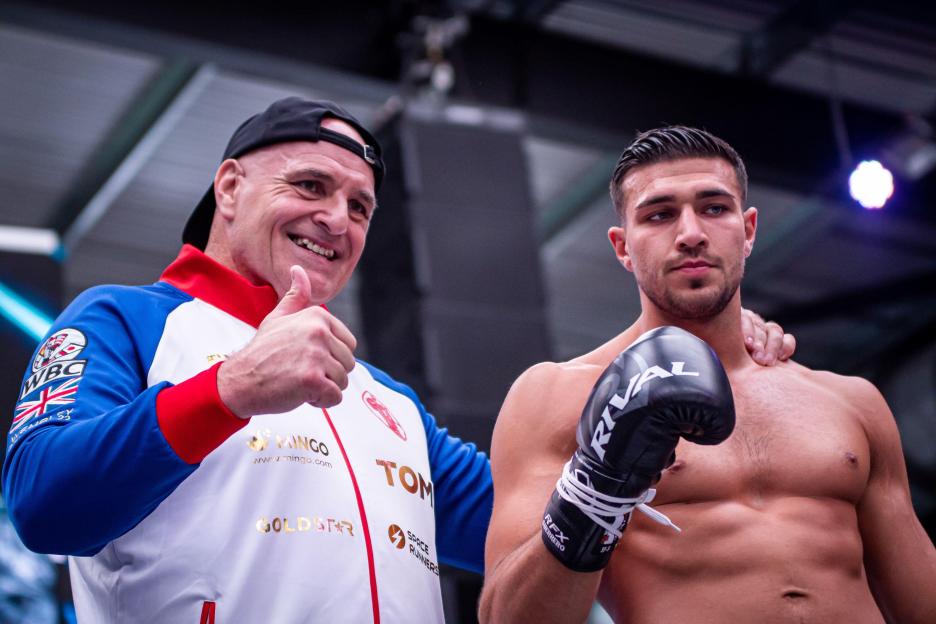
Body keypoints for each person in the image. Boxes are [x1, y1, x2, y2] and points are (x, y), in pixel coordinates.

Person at [2, 99, 793, 623]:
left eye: (360, 207)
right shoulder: (124, 320)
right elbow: (43, 502)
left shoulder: (382, 400)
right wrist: (232, 388)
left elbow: (549, 517)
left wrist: (714, 346)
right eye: (310, 185)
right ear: (231, 186)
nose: (335, 219)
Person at [479, 126, 936, 624]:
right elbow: (510, 617)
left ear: (750, 230)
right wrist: (598, 487)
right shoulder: (558, 397)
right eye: (659, 215)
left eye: (715, 208)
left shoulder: (852, 401)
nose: (691, 232)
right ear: (622, 247)